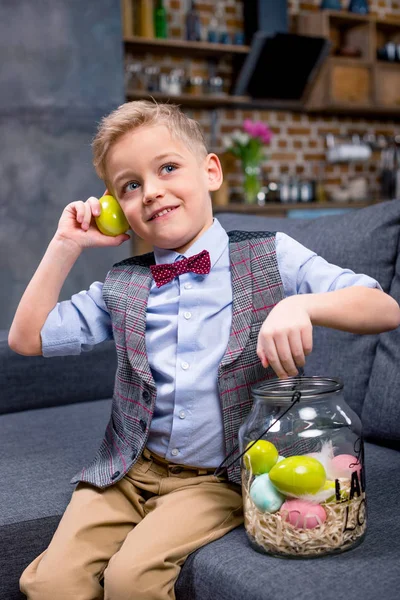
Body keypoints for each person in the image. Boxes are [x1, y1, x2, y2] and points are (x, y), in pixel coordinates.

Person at [9, 100, 400, 600]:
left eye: (167, 168)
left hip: (214, 479)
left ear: (210, 170)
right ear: (117, 208)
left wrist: (300, 305)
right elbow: (27, 339)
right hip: (128, 471)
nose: (151, 192)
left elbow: (383, 307)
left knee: (131, 581)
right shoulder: (123, 283)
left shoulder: (270, 254)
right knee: (50, 583)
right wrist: (66, 243)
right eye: (130, 185)